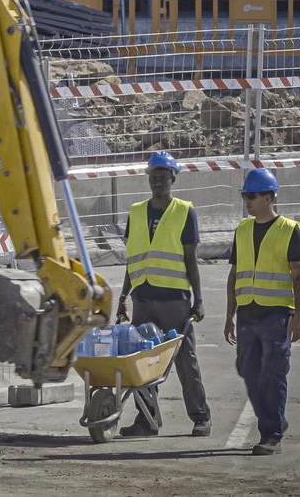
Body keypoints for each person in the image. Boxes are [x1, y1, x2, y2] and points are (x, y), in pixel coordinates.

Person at [116, 151, 211, 437]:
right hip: (143, 300)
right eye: (153, 176)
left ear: (172, 178)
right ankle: (147, 420)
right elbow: (132, 262)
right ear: (149, 178)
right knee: (141, 361)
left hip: (174, 301)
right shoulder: (136, 212)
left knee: (185, 361)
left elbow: (191, 260)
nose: (158, 181)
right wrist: (122, 297)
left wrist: (199, 299)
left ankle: (201, 417)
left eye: (163, 176)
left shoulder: (184, 211)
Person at [223, 168, 300, 456]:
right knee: (247, 370)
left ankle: (270, 433)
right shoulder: (242, 230)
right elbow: (234, 274)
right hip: (247, 313)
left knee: (272, 373)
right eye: (245, 196)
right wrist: (229, 316)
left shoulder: (289, 230)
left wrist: (298, 315)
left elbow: (298, 275)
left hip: (276, 315)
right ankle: (275, 421)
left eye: (253, 196)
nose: (248, 201)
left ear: (270, 196)